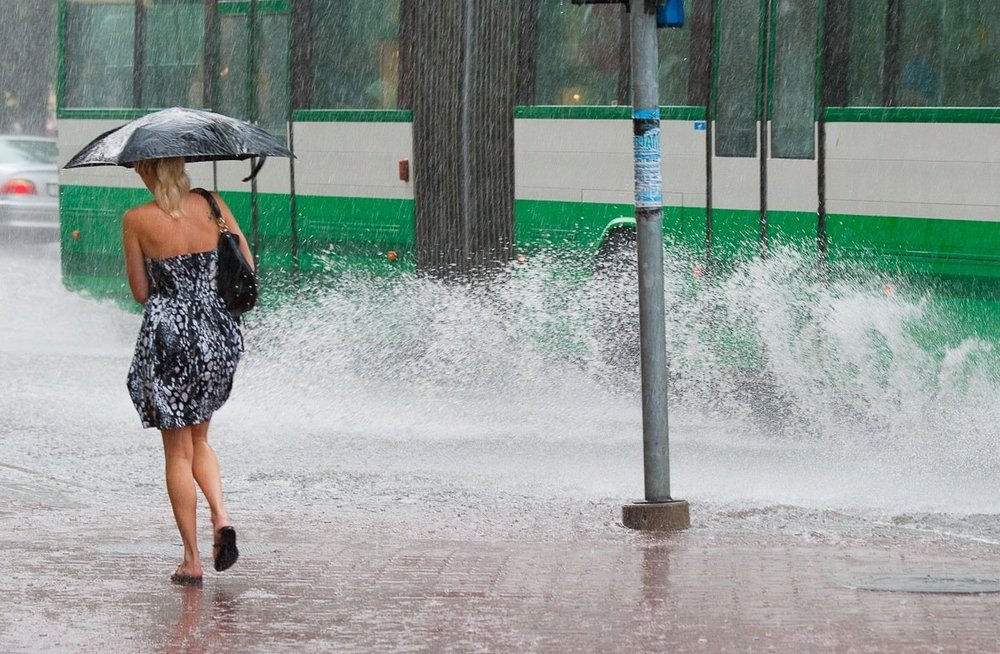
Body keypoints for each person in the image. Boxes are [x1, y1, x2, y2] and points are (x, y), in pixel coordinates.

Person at [122, 157, 251, 586]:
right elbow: (245, 264)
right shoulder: (212, 204)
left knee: (178, 452)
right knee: (200, 440)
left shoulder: (137, 219)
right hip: (218, 333)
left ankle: (192, 560)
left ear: (146, 171)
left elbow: (142, 292)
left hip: (171, 340)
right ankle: (222, 515)